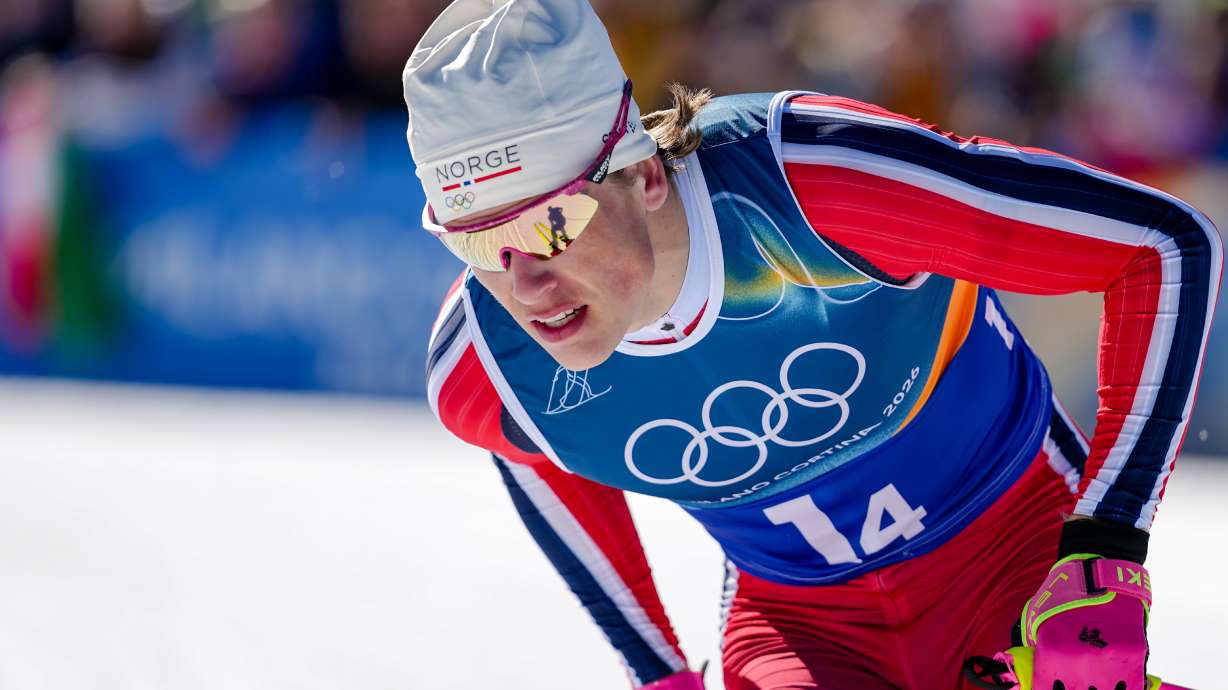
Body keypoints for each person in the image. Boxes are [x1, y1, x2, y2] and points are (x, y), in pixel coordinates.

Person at [403, 2, 1222, 689]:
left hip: (1017, 559)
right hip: (798, 630)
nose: (524, 285)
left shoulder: (817, 190)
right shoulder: (489, 367)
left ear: (643, 173)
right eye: (476, 245)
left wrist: (1107, 552)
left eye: (549, 224)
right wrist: (658, 673)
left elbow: (1161, 245)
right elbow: (533, 445)